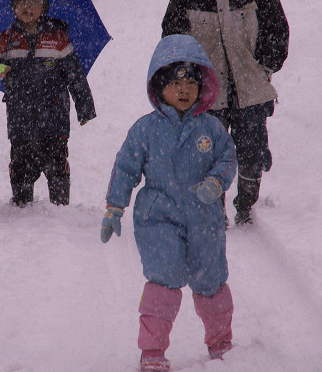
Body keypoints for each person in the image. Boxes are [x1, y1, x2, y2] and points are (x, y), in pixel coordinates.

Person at [101, 34, 237, 372]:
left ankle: (221, 343)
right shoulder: (145, 130)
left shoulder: (211, 128)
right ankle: (152, 351)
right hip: (159, 216)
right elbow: (126, 167)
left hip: (204, 215)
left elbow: (228, 157)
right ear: (159, 87)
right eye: (175, 83)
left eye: (191, 82)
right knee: (164, 279)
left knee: (211, 280)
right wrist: (114, 207)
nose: (184, 90)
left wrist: (216, 182)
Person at [161, 0, 289, 226]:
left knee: (252, 152)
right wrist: (183, 77)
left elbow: (277, 26)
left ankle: (246, 204)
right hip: (205, 90)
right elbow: (172, 34)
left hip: (250, 86)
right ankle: (212, 210)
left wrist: (265, 64)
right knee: (207, 154)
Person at [0, 0, 96, 207]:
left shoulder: (58, 38)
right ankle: (21, 211)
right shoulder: (5, 39)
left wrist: (85, 109)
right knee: (21, 170)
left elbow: (75, 75)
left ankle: (60, 212)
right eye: (22, 1)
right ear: (14, 6)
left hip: (54, 118)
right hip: (20, 120)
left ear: (44, 7)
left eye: (34, 1)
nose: (28, 7)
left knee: (57, 170)